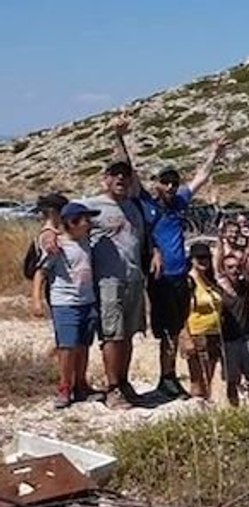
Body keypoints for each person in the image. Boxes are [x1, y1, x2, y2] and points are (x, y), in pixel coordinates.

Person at [137, 135, 230, 400]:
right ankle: (166, 378)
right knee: (166, 331)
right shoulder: (149, 204)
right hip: (161, 278)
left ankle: (170, 378)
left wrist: (215, 153)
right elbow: (130, 172)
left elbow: (200, 177)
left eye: (174, 183)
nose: (170, 186)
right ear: (156, 184)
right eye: (165, 182)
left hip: (180, 277)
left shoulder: (180, 202)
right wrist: (120, 138)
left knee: (176, 329)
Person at [81, 157, 149, 409]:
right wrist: (49, 232)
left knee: (128, 334)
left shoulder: (134, 207)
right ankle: (112, 388)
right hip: (108, 282)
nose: (121, 179)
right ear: (106, 179)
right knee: (112, 334)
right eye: (115, 175)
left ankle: (123, 381)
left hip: (134, 279)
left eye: (125, 175)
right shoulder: (91, 205)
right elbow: (64, 220)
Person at [33, 202, 102, 408]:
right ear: (72, 222)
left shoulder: (86, 242)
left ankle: (81, 384)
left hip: (87, 301)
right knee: (67, 347)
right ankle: (64, 387)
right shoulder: (57, 246)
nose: (89, 223)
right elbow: (41, 273)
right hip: (65, 303)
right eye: (85, 220)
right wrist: (36, 300)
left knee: (83, 345)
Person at [216, 251, 249, 407]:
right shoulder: (218, 290)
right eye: (230, 267)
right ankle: (234, 409)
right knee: (232, 379)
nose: (234, 270)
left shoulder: (243, 286)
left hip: (247, 338)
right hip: (228, 341)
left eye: (237, 267)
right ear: (223, 269)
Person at [182, 242, 223, 401]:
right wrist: (186, 336)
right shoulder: (189, 281)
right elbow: (182, 311)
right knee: (199, 380)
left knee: (209, 379)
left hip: (214, 334)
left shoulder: (210, 280)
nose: (203, 261)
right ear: (192, 259)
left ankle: (205, 407)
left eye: (206, 257)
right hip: (197, 333)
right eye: (199, 258)